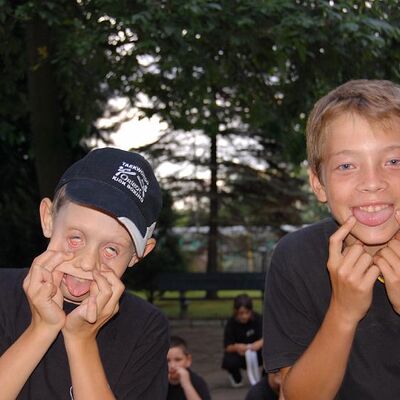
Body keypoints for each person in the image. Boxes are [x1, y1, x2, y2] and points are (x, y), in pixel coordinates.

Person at [263, 79, 400, 399]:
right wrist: (343, 312)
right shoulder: (296, 257)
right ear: (319, 184)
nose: (372, 182)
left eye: (394, 161)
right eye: (347, 165)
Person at [0, 148, 169, 399]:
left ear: (138, 254)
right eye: (76, 238)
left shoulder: (146, 328)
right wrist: (42, 329)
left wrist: (81, 341)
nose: (88, 263)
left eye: (111, 249)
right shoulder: (3, 294)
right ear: (48, 219)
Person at [222, 293, 263, 388]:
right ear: (235, 312)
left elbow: (267, 336)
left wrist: (260, 343)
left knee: (271, 353)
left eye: (247, 313)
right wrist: (237, 347)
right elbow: (227, 346)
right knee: (229, 360)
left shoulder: (258, 319)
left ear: (251, 311)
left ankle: (266, 377)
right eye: (241, 313)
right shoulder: (231, 323)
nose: (244, 316)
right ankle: (236, 377)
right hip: (240, 354)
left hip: (257, 352)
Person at [167, 335, 211, 400]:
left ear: (188, 360)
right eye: (167, 361)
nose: (172, 365)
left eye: (178, 360)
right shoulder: (157, 381)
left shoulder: (197, 381)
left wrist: (186, 384)